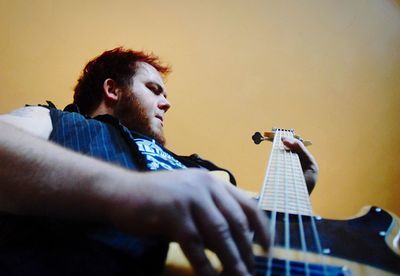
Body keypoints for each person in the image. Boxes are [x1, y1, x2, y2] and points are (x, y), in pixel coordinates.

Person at [0, 47, 318, 276]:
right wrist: (127, 189)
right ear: (112, 89)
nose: (167, 103)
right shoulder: (55, 121)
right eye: (154, 89)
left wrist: (295, 189)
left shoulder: (207, 172)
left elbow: (256, 238)